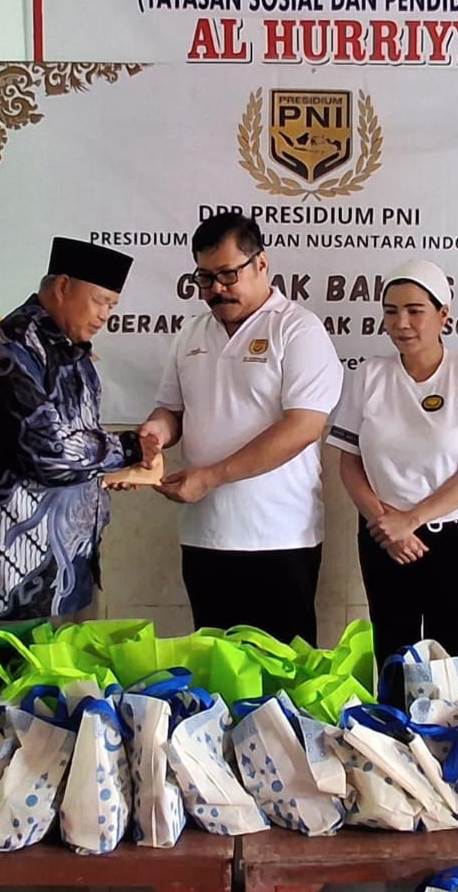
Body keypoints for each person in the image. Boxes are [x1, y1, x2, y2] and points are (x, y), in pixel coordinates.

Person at [139, 212, 342, 644]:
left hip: (280, 536)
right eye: (206, 278)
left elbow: (305, 425)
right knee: (217, 676)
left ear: (261, 264)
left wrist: (211, 476)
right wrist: (155, 435)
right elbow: (170, 409)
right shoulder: (191, 332)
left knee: (282, 682)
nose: (217, 289)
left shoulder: (297, 328)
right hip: (205, 535)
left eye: (229, 275)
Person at [0, 236, 151, 624]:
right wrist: (132, 447)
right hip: (14, 572)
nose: (104, 316)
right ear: (63, 286)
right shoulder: (13, 347)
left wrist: (107, 472)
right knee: (17, 681)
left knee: (68, 681)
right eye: (99, 301)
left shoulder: (72, 349)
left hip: (67, 563)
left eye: (112, 306)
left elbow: (76, 443)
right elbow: (49, 451)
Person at [328, 259, 458, 664]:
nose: (401, 323)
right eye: (391, 312)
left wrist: (411, 520)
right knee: (393, 655)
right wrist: (386, 524)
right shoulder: (369, 375)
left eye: (414, 311)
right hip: (383, 537)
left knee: (451, 659)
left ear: (443, 315)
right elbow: (349, 463)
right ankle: (391, 730)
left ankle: (447, 730)